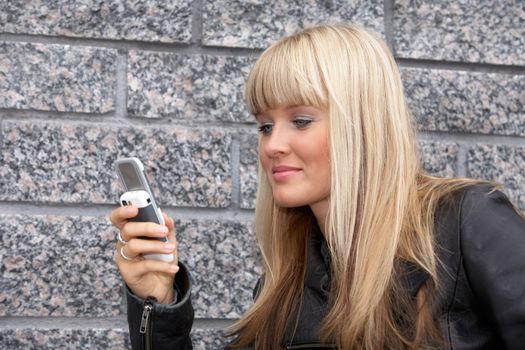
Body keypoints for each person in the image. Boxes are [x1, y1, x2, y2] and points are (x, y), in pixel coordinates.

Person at [110, 24, 525, 350]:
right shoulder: (285, 282)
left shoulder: (464, 220)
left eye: (301, 121)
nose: (272, 145)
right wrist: (159, 301)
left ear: (362, 125)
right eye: (265, 126)